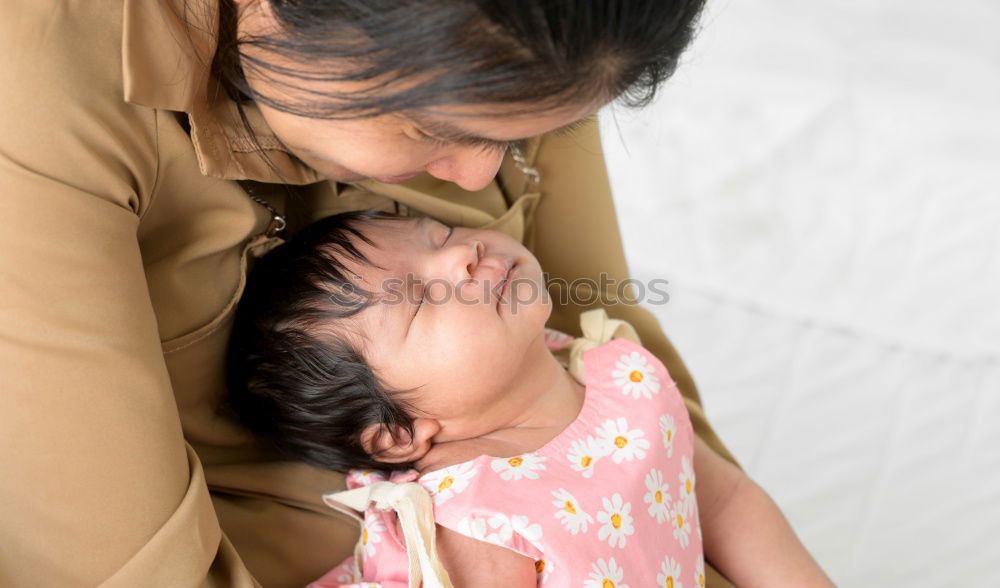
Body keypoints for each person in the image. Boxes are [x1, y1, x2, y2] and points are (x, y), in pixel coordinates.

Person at [1, 0, 741, 586]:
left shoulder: (546, 32)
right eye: (430, 127)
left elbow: (616, 363)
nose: (479, 177)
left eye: (522, 136)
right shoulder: (37, 96)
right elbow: (120, 569)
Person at [224, 211, 832, 587]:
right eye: (420, 300)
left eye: (440, 233)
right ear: (398, 431)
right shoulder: (474, 513)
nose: (463, 254)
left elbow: (724, 504)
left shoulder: (619, 374)